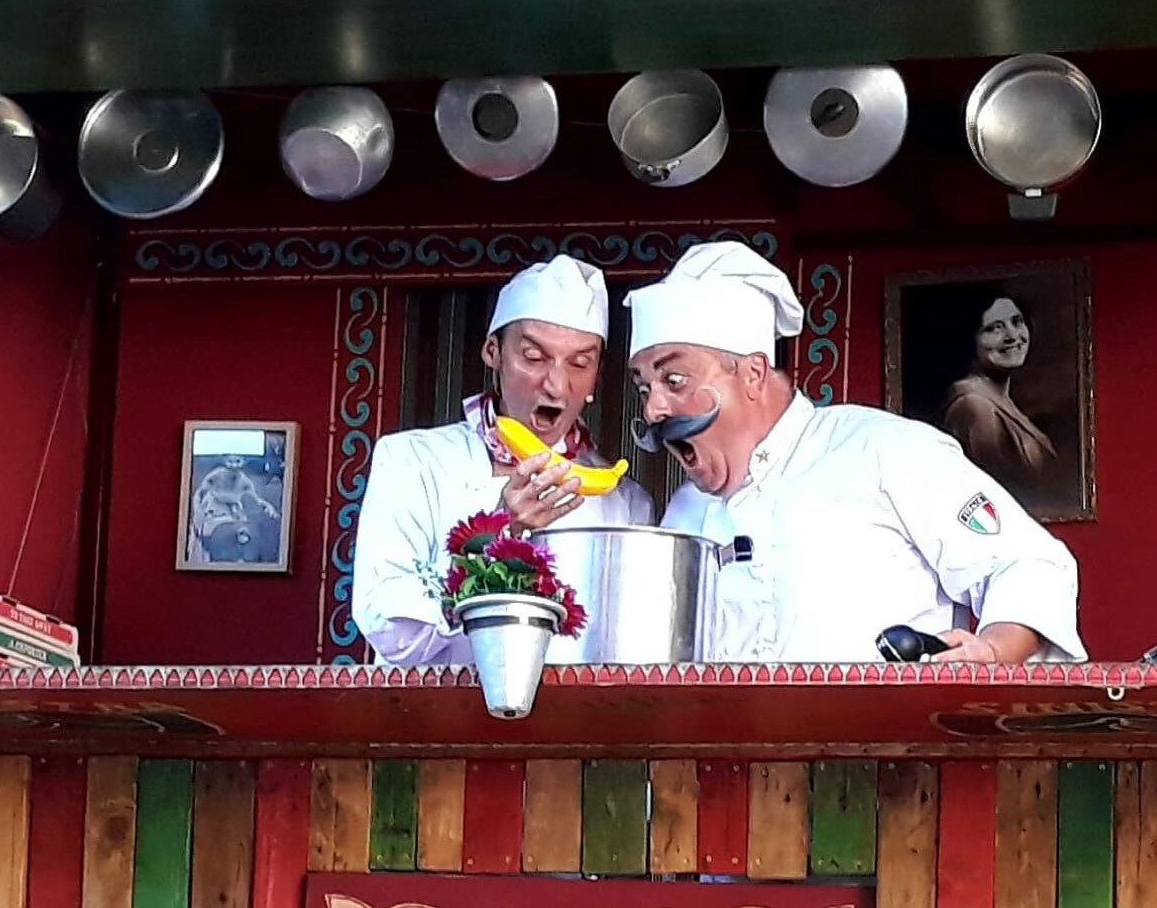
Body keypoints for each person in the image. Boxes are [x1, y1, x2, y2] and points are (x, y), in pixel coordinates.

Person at [623, 241, 1085, 663]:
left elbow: (1028, 563)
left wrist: (993, 650)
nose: (653, 409)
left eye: (674, 381)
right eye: (644, 388)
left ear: (753, 374)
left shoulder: (881, 450)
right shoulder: (682, 515)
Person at [353, 255, 655, 666]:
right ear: (492, 351)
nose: (556, 385)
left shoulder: (625, 503)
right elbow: (390, 631)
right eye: (533, 356)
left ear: (597, 376)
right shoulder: (412, 462)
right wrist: (496, 537)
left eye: (580, 363)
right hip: (431, 706)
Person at [936, 291, 1057, 492]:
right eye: (994, 328)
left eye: (1017, 322)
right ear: (970, 339)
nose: (1012, 336)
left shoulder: (1001, 400)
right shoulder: (974, 407)